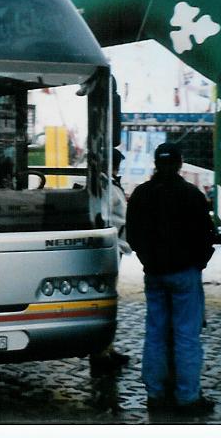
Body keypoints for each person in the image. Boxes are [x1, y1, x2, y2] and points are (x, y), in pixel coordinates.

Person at [126, 142, 215, 416]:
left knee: (155, 332)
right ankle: (187, 397)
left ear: (156, 163)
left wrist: (147, 260)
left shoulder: (141, 194)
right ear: (179, 163)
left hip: (154, 274)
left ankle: (155, 393)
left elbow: (133, 236)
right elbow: (206, 236)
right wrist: (198, 263)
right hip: (185, 273)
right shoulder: (191, 194)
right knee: (187, 335)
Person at [89, 149, 131, 374]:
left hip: (115, 247)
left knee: (110, 298)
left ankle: (107, 347)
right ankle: (100, 352)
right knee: (105, 299)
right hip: (108, 249)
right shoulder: (104, 185)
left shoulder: (109, 183)